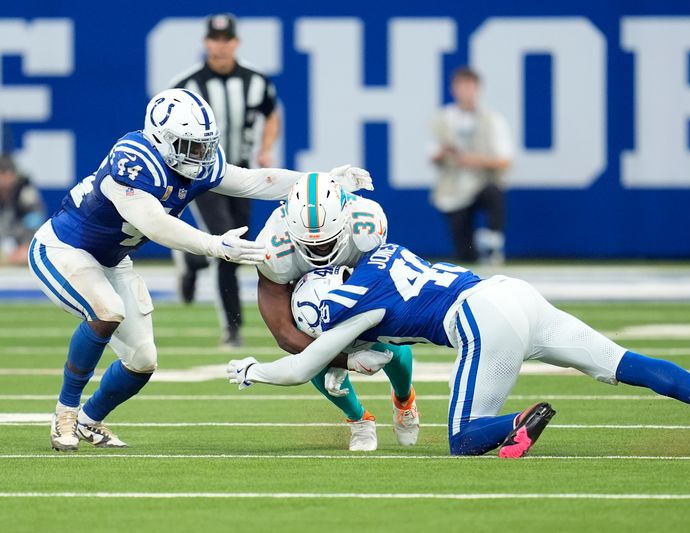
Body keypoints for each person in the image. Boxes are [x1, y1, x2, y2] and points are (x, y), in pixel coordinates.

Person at [30, 87, 371, 451]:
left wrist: (323, 182)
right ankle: (65, 413)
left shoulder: (194, 161)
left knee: (143, 360)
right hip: (63, 248)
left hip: (112, 259)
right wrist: (216, 245)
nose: (201, 154)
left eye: (204, 144)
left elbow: (253, 181)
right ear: (161, 139)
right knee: (107, 311)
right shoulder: (132, 162)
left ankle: (89, 420)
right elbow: (155, 224)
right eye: (190, 145)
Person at [228, 244, 690, 458]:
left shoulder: (344, 310)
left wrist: (254, 370)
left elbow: (302, 365)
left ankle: (521, 420)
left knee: (463, 439)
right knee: (626, 364)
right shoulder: (376, 253)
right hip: (513, 292)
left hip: (482, 321)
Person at [253, 173, 418, 451]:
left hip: (359, 285)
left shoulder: (366, 224)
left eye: (327, 242)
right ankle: (359, 419)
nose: (318, 249)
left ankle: (405, 400)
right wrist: (345, 360)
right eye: (310, 243)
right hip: (308, 297)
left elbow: (382, 290)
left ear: (344, 221)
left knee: (389, 338)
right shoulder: (273, 247)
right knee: (310, 339)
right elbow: (283, 332)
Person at [171, 13, 282, 347]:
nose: (220, 46)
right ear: (206, 42)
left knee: (236, 243)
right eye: (215, 39)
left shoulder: (256, 80)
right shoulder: (187, 84)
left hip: (242, 174)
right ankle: (232, 327)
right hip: (202, 174)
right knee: (226, 244)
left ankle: (192, 260)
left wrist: (265, 150)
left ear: (236, 42)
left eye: (226, 39)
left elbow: (271, 113)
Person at [430, 67, 513, 265]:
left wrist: (473, 160)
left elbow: (505, 160)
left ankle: (493, 241)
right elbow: (433, 156)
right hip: (454, 189)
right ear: (453, 89)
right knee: (464, 254)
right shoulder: (443, 119)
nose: (465, 91)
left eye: (469, 86)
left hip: (483, 182)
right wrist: (445, 152)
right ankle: (476, 252)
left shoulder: (493, 120)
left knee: (494, 193)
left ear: (478, 89)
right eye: (460, 86)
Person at [0, 155, 46, 265]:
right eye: (2, 174)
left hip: (21, 246)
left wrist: (26, 247)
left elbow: (36, 221)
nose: (6, 179)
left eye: (9, 174)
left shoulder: (26, 192)